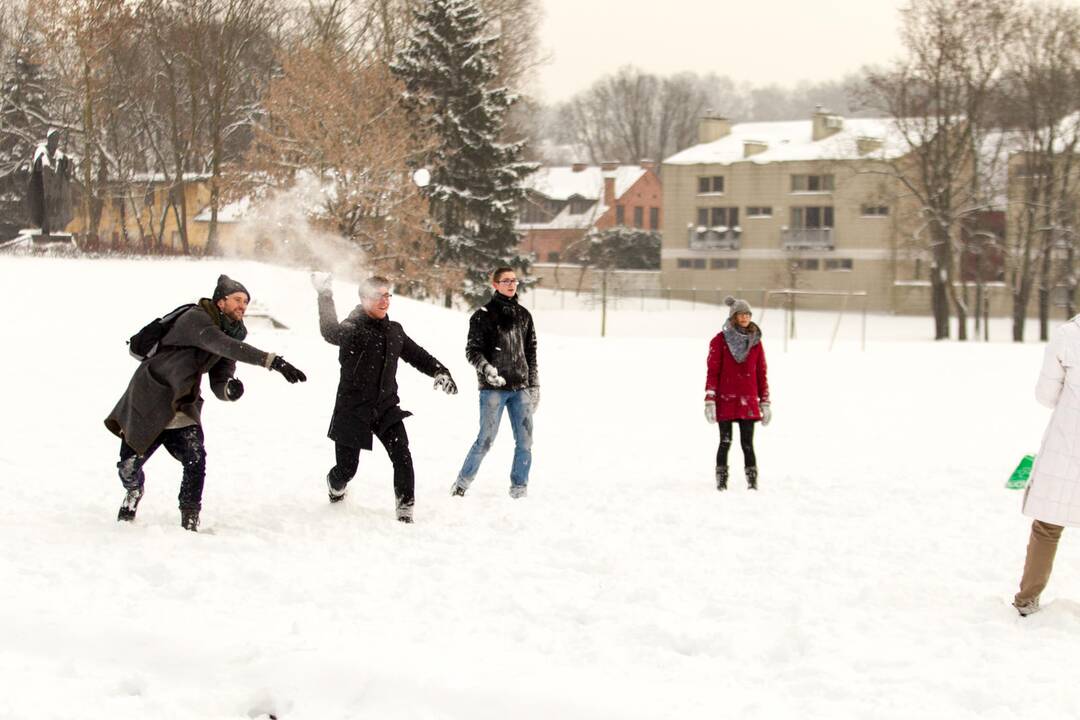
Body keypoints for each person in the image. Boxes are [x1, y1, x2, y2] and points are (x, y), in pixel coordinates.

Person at [105, 274, 307, 531]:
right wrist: (272, 361)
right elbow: (223, 345)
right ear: (220, 301)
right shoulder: (197, 319)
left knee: (196, 459)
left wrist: (229, 390)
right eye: (237, 300)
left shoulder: (232, 333)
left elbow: (220, 378)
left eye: (246, 302)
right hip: (150, 396)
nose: (242, 306)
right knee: (128, 465)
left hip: (183, 403)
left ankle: (190, 517)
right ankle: (133, 491)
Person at [312, 273, 457, 523]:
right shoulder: (352, 328)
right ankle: (335, 487)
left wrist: (440, 370)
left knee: (402, 455)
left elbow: (417, 355)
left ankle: (405, 512)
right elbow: (329, 331)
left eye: (387, 294)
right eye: (378, 295)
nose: (385, 300)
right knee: (346, 470)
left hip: (386, 408)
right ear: (364, 298)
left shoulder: (394, 330)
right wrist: (325, 295)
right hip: (353, 409)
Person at [451, 267, 539, 499]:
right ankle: (461, 484)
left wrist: (534, 385)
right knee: (486, 440)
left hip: (520, 388)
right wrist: (487, 369)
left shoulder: (524, 316)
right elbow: (472, 351)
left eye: (514, 280)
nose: (511, 284)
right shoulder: (483, 315)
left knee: (525, 441)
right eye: (506, 281)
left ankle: (519, 489)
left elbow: (531, 353)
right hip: (493, 390)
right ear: (495, 284)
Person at [1013, 317, 1080, 616]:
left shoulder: (1068, 335)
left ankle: (1027, 599)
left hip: (1068, 443)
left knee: (1047, 526)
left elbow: (1046, 396)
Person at [704, 295, 771, 491]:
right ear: (733, 316)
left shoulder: (756, 342)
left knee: (747, 444)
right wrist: (710, 399)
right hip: (726, 399)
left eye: (748, 314)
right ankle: (721, 483)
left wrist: (764, 402)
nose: (744, 318)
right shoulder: (719, 341)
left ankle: (752, 483)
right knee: (725, 441)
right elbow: (713, 372)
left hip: (748, 401)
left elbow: (761, 373)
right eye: (741, 314)